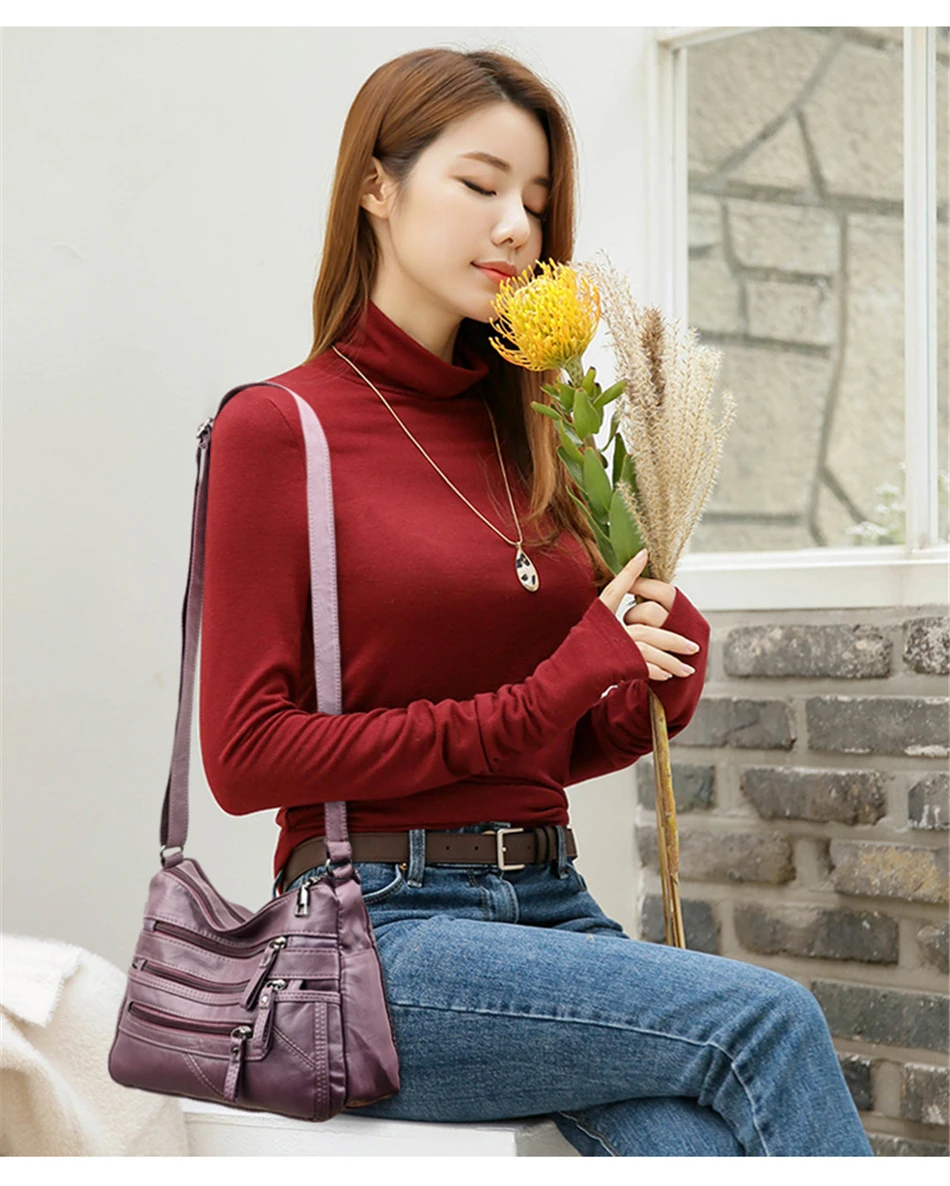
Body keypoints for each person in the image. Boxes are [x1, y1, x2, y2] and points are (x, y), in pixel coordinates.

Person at [199, 46, 874, 1157]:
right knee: (766, 1018)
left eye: (537, 200)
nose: (516, 225)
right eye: (480, 184)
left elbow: (533, 748)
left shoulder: (541, 439)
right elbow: (246, 757)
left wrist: (640, 700)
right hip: (373, 934)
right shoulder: (280, 429)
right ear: (374, 187)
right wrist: (551, 688)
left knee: (694, 1141)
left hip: (550, 905)